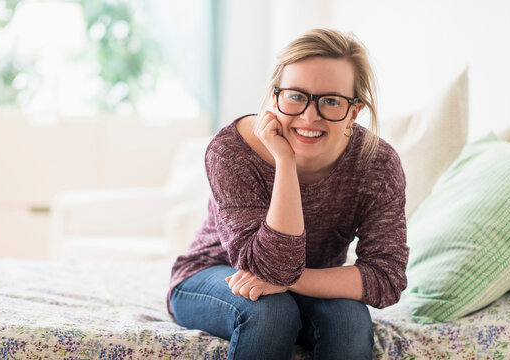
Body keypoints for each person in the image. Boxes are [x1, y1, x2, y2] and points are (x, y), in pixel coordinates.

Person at [168, 28, 408, 360]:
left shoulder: (377, 164)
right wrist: (285, 160)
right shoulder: (231, 151)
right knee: (271, 311)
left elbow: (386, 277)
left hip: (305, 282)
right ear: (275, 96)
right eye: (296, 95)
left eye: (331, 101)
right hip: (211, 273)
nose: (310, 116)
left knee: (350, 319)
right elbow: (267, 268)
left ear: (354, 111)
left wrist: (292, 281)